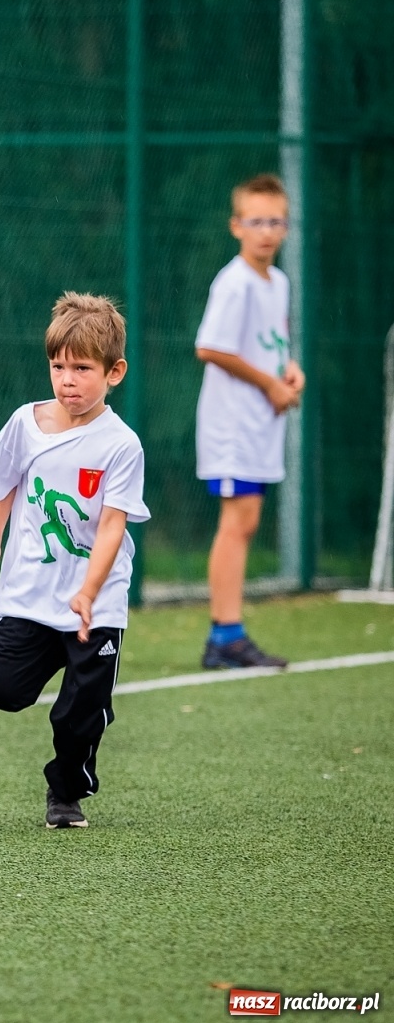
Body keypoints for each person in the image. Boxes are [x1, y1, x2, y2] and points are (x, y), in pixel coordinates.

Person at [0, 293, 149, 831]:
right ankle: (62, 669)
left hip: (98, 601)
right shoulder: (25, 424)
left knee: (79, 712)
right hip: (30, 592)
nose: (67, 380)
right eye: (58, 366)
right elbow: (0, 485)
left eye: (82, 368)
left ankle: (66, 790)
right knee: (2, 687)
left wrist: (90, 592)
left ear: (114, 372)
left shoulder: (121, 445)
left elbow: (113, 525)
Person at [195, 174, 304, 669]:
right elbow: (211, 347)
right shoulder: (233, 281)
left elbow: (274, 342)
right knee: (236, 522)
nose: (267, 231)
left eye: (275, 221)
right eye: (256, 221)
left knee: (248, 520)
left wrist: (290, 372)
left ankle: (228, 633)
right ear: (236, 226)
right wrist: (269, 385)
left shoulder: (277, 282)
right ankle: (225, 635)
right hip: (232, 427)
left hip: (263, 425)